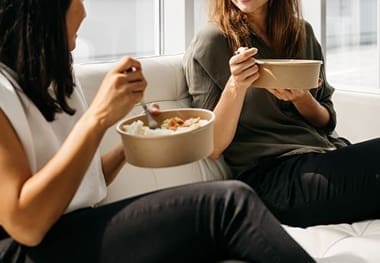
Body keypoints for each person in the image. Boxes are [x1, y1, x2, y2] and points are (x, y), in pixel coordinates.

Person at [0, 0, 316, 262]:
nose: (84, 10)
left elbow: (80, 184)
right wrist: (98, 118)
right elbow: (26, 225)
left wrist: (135, 141)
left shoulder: (56, 77)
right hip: (25, 250)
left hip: (75, 227)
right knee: (229, 203)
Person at [183, 0, 380, 228]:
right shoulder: (212, 40)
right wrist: (236, 85)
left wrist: (301, 98)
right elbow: (212, 146)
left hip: (325, 155)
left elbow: (326, 120)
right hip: (273, 179)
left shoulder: (301, 32)